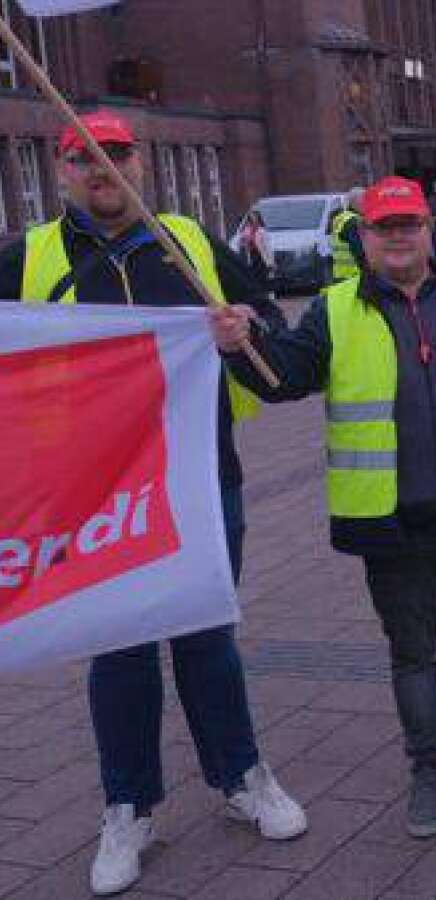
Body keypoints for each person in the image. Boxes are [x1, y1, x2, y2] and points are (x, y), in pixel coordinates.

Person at [0, 109, 306, 897]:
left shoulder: (193, 243)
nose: (102, 169)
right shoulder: (27, 257)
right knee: (121, 648)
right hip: (93, 498)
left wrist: (246, 330)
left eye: (116, 155)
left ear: (140, 166)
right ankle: (127, 805)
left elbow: (268, 326)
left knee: (208, 635)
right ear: (62, 171)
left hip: (202, 482)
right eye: (84, 158)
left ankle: (241, 777)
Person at [208, 175, 436, 840]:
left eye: (409, 225)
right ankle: (430, 772)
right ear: (364, 237)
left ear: (429, 229)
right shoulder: (335, 310)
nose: (398, 238)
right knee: (413, 656)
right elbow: (284, 381)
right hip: (394, 527)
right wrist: (238, 347)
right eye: (384, 228)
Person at [329, 187, 365, 282]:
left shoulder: (340, 218)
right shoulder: (353, 222)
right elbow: (360, 251)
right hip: (354, 275)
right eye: (365, 201)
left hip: (340, 274)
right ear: (356, 202)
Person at [237, 208, 274, 294]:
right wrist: (243, 241)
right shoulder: (246, 230)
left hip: (260, 256)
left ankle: (265, 292)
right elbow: (240, 242)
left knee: (262, 276)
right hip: (250, 255)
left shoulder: (262, 231)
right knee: (252, 275)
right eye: (252, 217)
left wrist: (270, 261)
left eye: (255, 217)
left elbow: (267, 247)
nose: (254, 219)